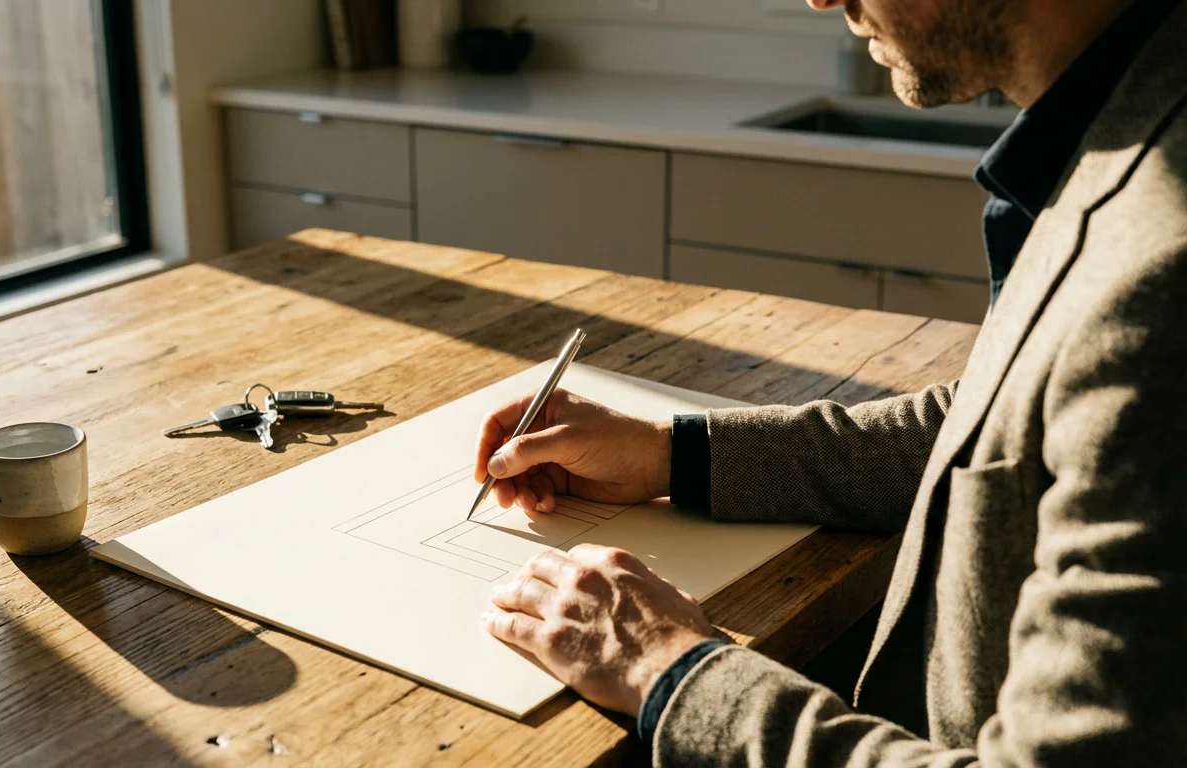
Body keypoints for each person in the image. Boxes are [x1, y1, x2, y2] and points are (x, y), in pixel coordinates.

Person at [473, 0, 1187, 764]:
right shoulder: (1131, 126)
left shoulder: (1161, 269)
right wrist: (670, 455)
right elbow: (1010, 420)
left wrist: (667, 671)